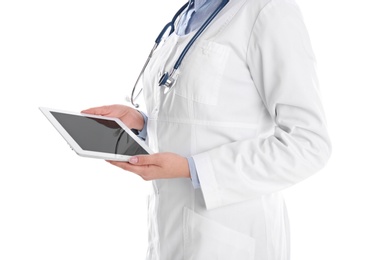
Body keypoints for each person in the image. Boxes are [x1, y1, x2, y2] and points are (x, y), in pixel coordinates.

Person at [82, 0, 332, 259]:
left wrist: (193, 169)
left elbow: (309, 143)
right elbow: (198, 118)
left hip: (233, 235)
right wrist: (142, 124)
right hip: (168, 230)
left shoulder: (267, 10)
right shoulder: (188, 14)